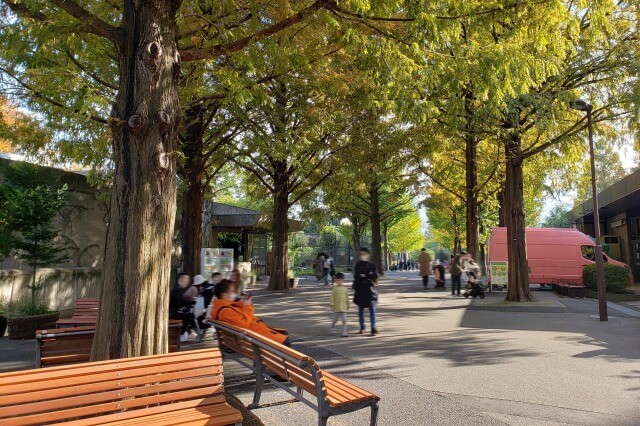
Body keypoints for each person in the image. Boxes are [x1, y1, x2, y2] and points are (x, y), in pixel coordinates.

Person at [210, 279, 291, 346]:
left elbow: (240, 317)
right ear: (225, 295)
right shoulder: (225, 311)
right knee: (286, 341)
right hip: (255, 338)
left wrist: (243, 303)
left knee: (283, 334)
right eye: (232, 291)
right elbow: (243, 324)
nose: (235, 293)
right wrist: (247, 306)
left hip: (254, 336)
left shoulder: (224, 307)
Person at [353, 247, 379, 336]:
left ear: (368, 255)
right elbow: (357, 276)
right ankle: (362, 327)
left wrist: (366, 276)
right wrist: (367, 275)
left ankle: (373, 328)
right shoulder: (358, 265)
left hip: (370, 290)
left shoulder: (372, 265)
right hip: (360, 290)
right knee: (361, 309)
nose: (362, 256)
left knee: (372, 309)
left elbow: (375, 275)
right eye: (361, 254)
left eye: (364, 254)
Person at [169, 273, 198, 341]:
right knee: (187, 315)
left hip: (176, 310)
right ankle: (182, 334)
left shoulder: (179, 289)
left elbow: (183, 300)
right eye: (185, 278)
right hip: (173, 312)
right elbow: (182, 301)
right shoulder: (177, 289)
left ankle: (189, 331)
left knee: (189, 314)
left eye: (188, 279)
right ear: (180, 279)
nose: (187, 281)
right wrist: (193, 302)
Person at [330, 272, 349, 337]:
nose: (339, 281)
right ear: (335, 280)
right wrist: (332, 305)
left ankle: (344, 332)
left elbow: (347, 297)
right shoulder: (334, 289)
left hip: (343, 307)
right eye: (337, 280)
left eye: (340, 280)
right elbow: (332, 297)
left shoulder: (345, 289)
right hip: (336, 308)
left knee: (344, 320)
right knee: (335, 320)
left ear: (343, 280)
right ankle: (333, 326)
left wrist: (348, 304)